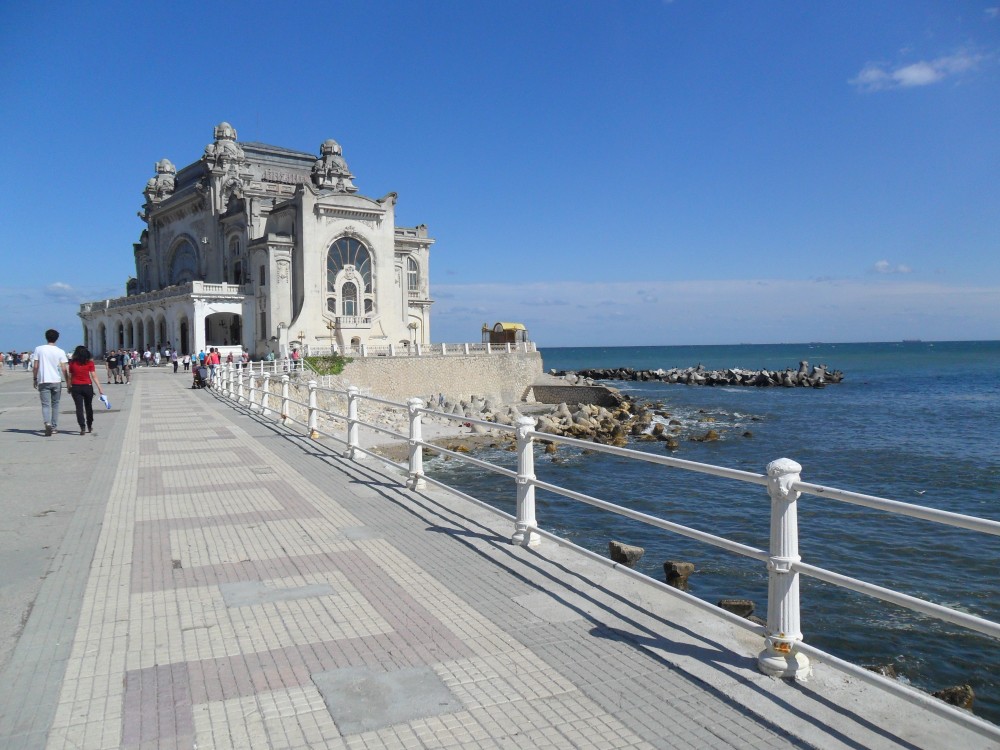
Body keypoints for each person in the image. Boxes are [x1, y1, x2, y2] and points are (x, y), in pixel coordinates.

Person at [32, 329, 70, 437]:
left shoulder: (39, 349)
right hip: (56, 380)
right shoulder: (60, 351)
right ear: (57, 338)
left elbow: (35, 366)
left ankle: (47, 423)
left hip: (44, 380)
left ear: (46, 337)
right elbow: (64, 369)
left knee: (45, 405)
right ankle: (54, 427)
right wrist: (68, 382)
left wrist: (35, 378)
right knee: (55, 404)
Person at [68, 346, 105, 435]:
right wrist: (100, 387)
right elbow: (94, 376)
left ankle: (82, 427)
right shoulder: (89, 363)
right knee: (88, 406)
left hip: (76, 387)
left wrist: (69, 386)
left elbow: (70, 376)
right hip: (87, 387)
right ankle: (89, 425)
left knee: (79, 408)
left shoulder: (72, 363)